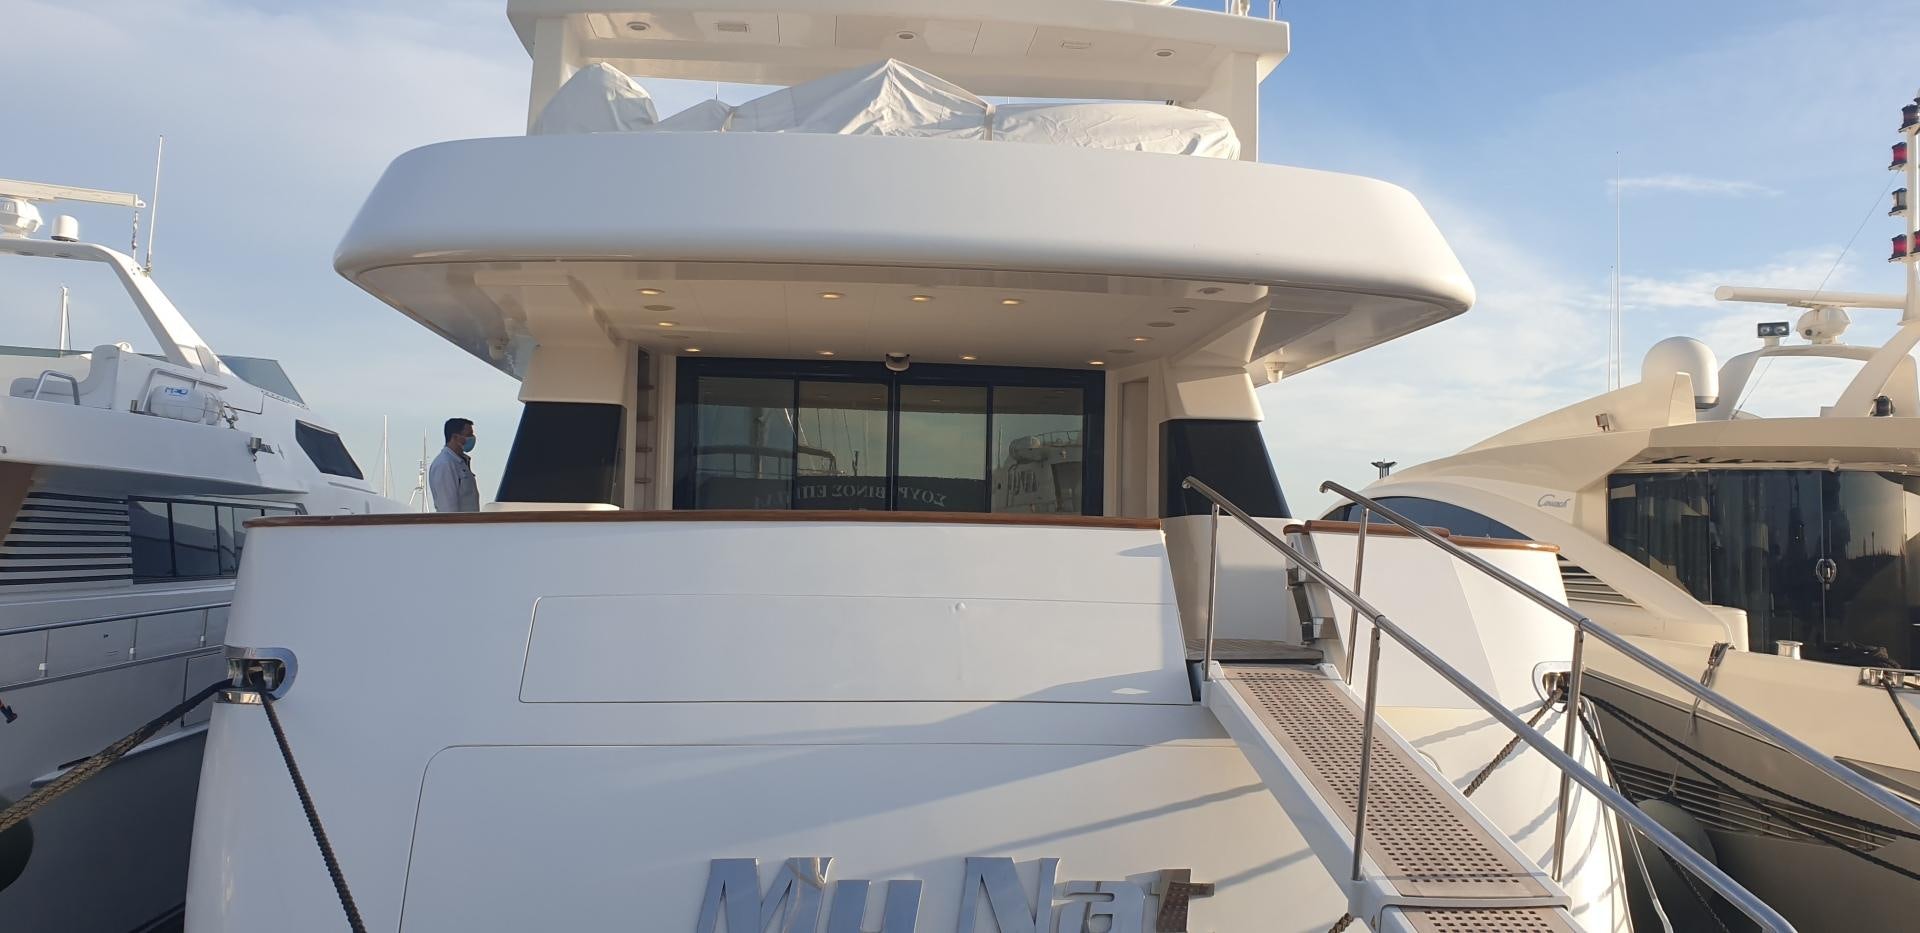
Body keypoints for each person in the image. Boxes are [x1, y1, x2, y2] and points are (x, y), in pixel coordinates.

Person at [429, 417, 480, 513]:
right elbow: (447, 507)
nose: (472, 438)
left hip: (469, 525)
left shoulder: (461, 462)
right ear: (455, 437)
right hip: (459, 526)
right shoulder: (445, 464)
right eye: (468, 435)